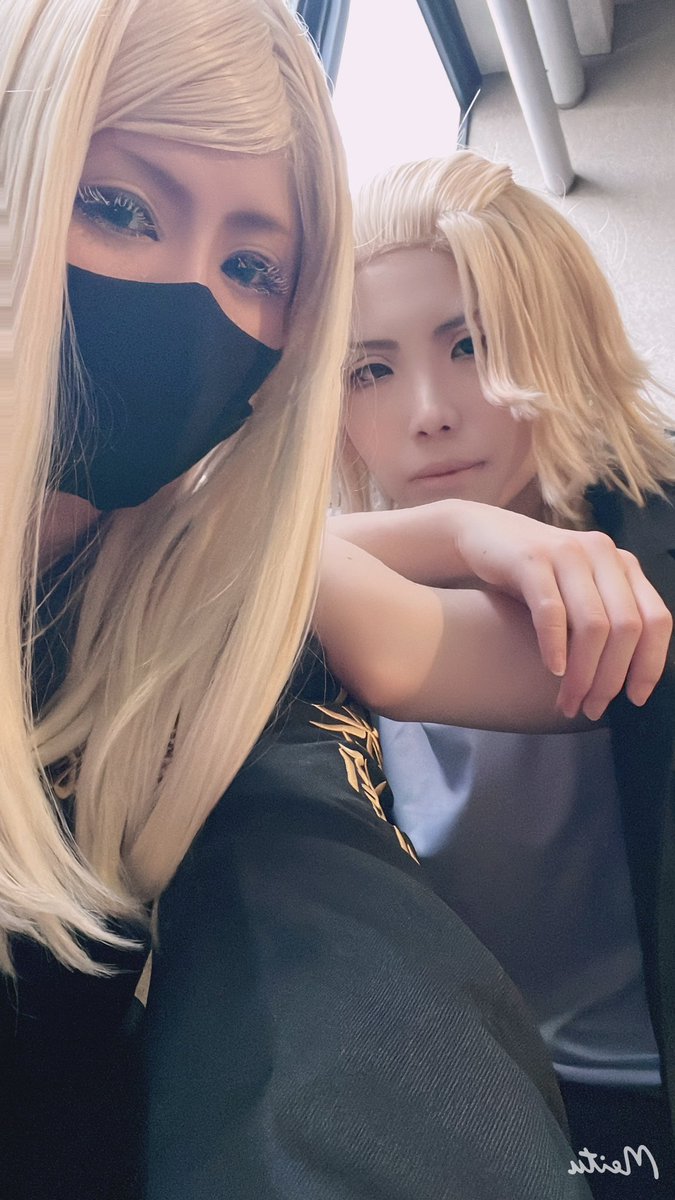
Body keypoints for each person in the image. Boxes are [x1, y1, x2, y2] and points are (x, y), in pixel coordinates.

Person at [1, 6, 669, 1195]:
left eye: (252, 269)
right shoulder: (252, 574)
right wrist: (453, 530)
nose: (429, 413)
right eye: (118, 206)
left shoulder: (194, 591)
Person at [337, 150, 675, 1198]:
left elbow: (244, 567)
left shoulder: (650, 549)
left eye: (471, 345)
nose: (428, 411)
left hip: (635, 1090)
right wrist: (455, 530)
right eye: (369, 370)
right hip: (473, 1082)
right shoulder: (345, 575)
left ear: (554, 335)